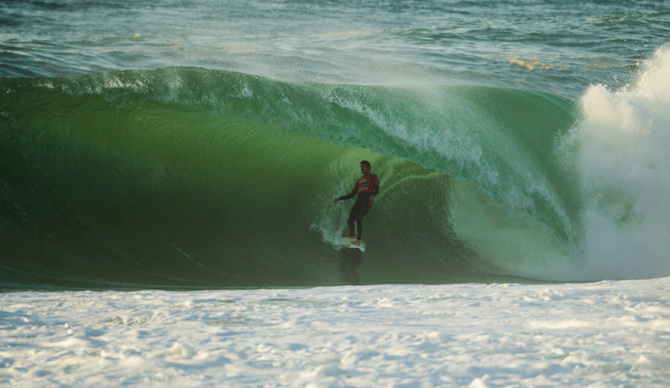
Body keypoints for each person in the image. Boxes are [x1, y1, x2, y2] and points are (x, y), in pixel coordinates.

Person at [333, 160, 380, 247]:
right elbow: (352, 194)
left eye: (364, 166)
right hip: (359, 200)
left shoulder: (374, 177)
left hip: (367, 200)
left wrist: (373, 195)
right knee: (350, 220)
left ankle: (358, 241)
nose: (362, 168)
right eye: (361, 167)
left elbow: (377, 189)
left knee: (358, 218)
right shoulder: (359, 180)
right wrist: (340, 198)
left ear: (368, 167)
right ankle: (352, 235)